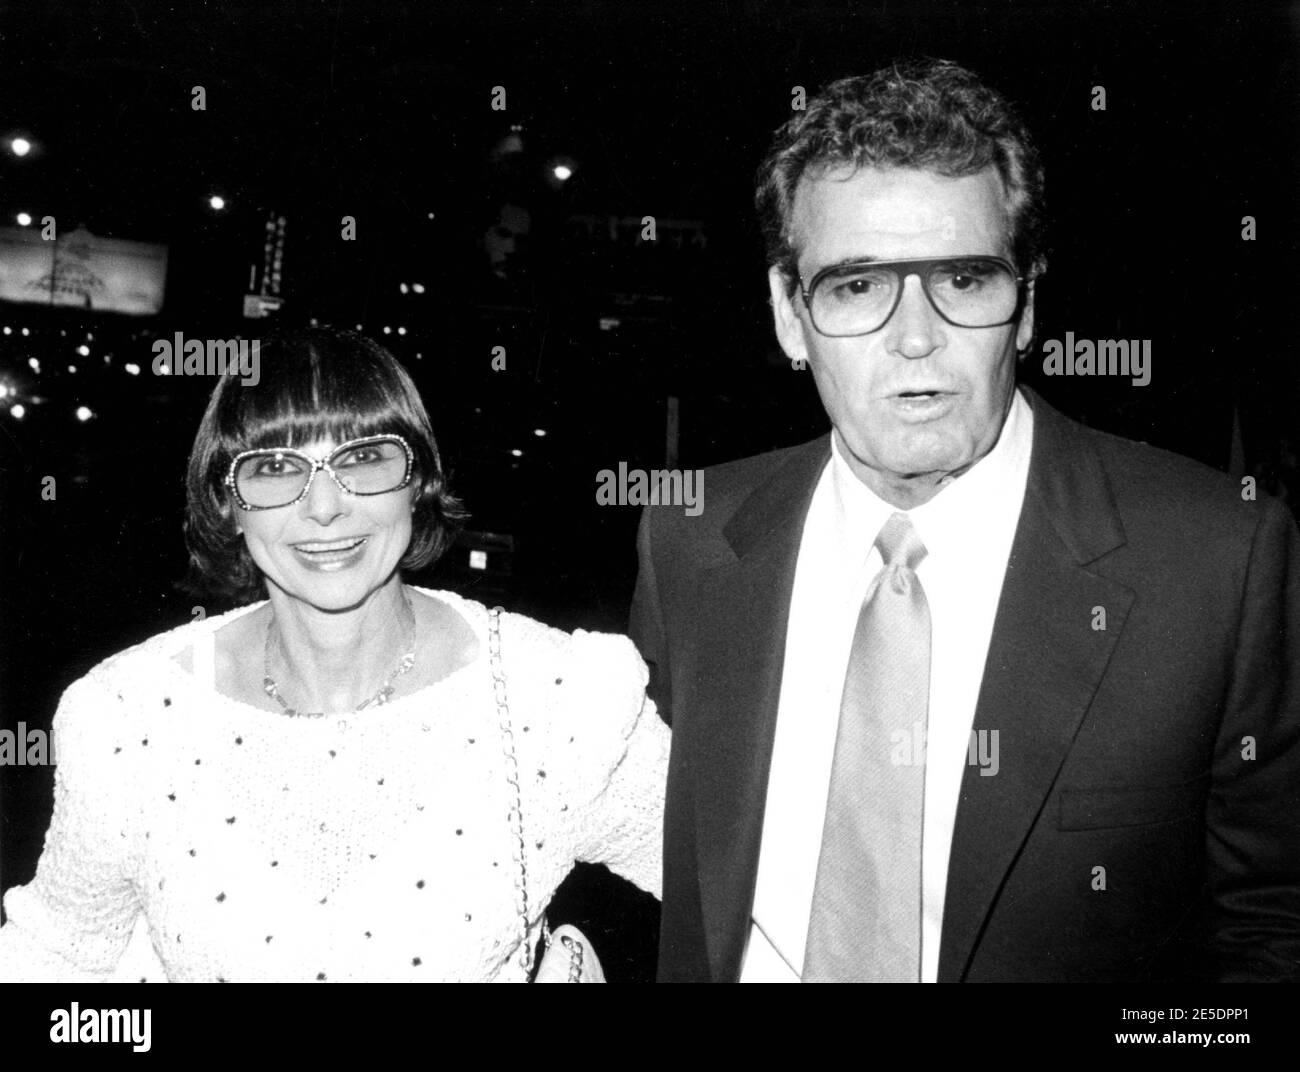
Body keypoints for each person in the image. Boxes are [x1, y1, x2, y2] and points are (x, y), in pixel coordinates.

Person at [631, 59, 1300, 982]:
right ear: (790, 315)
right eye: (858, 286)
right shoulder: (690, 538)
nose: (916, 338)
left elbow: (1272, 925)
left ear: (1026, 304)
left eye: (963, 278)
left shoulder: (1218, 560)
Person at [0, 327, 667, 982]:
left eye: (363, 459)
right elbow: (56, 955)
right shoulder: (128, 718)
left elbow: (740, 885)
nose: (324, 507)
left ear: (417, 482)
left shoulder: (554, 699)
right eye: (273, 468)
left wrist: (589, 947)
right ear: (227, 503)